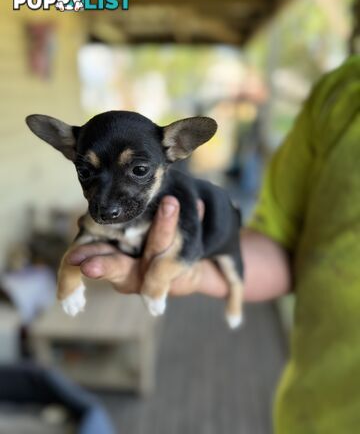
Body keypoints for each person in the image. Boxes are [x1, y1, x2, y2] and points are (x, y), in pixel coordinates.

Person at [67, 56, 360, 433]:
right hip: (311, 415)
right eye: (88, 172)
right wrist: (197, 273)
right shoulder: (339, 95)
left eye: (138, 170)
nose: (106, 201)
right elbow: (281, 246)